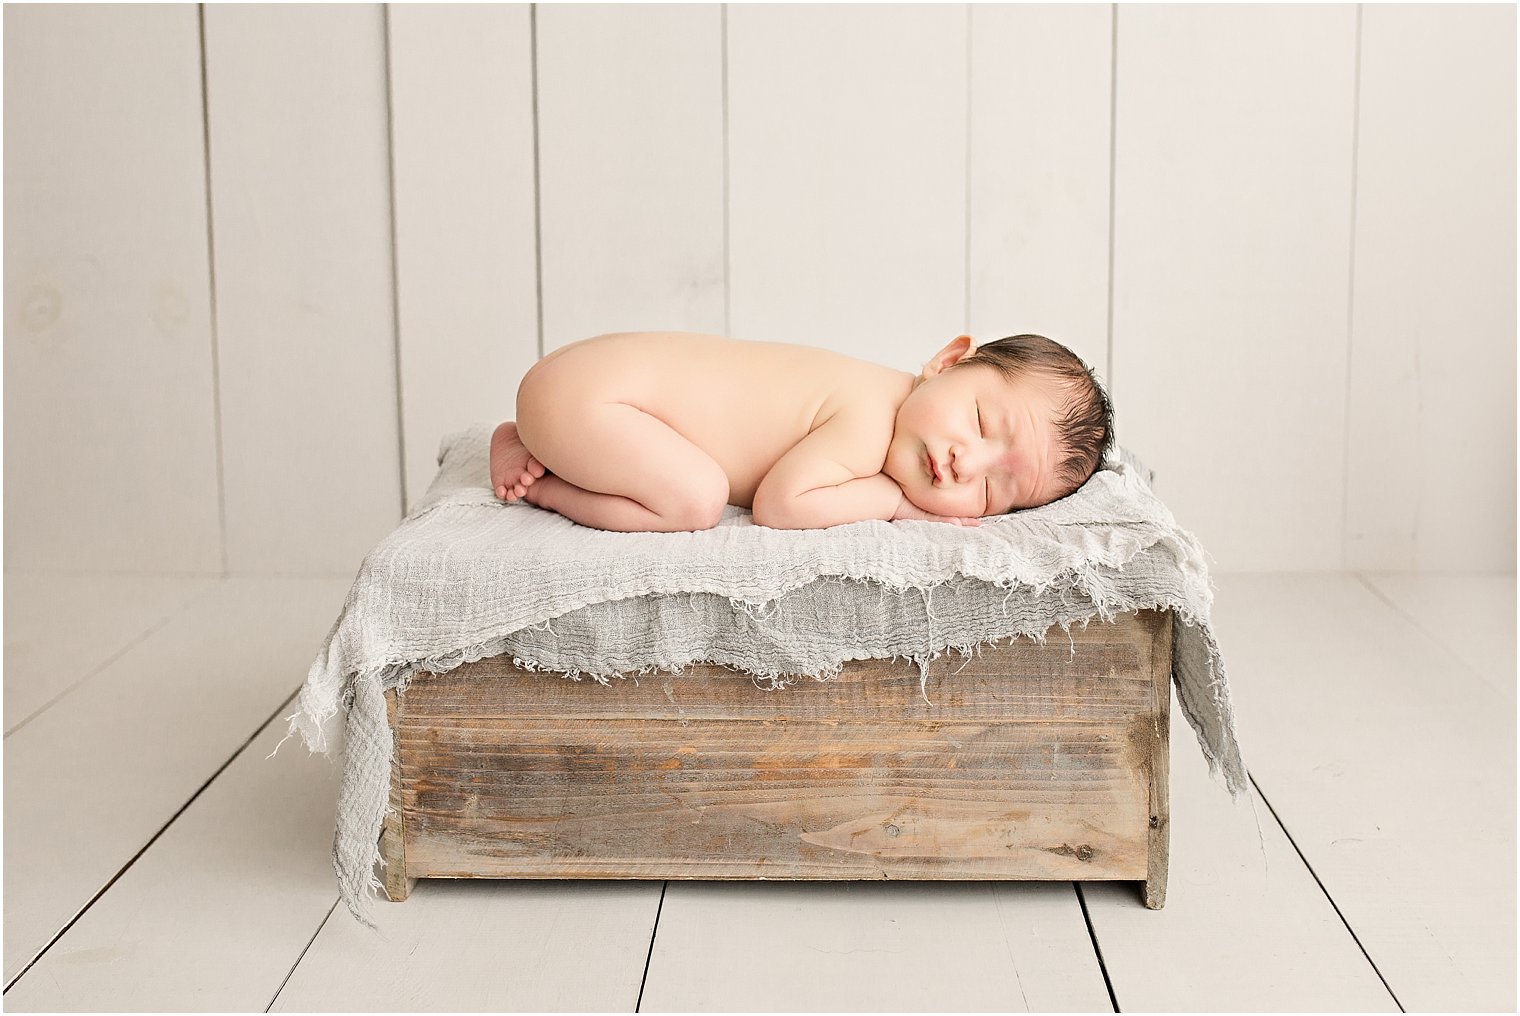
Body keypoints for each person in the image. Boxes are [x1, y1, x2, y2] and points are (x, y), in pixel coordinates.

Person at [490, 330, 1113, 533]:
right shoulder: (869, 417)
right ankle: (542, 477)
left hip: (585, 382)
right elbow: (781, 505)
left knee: (691, 486)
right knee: (697, 498)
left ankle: (536, 441)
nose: (964, 463)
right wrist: (894, 504)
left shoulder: (886, 399)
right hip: (589, 397)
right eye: (979, 422)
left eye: (993, 493)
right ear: (947, 364)